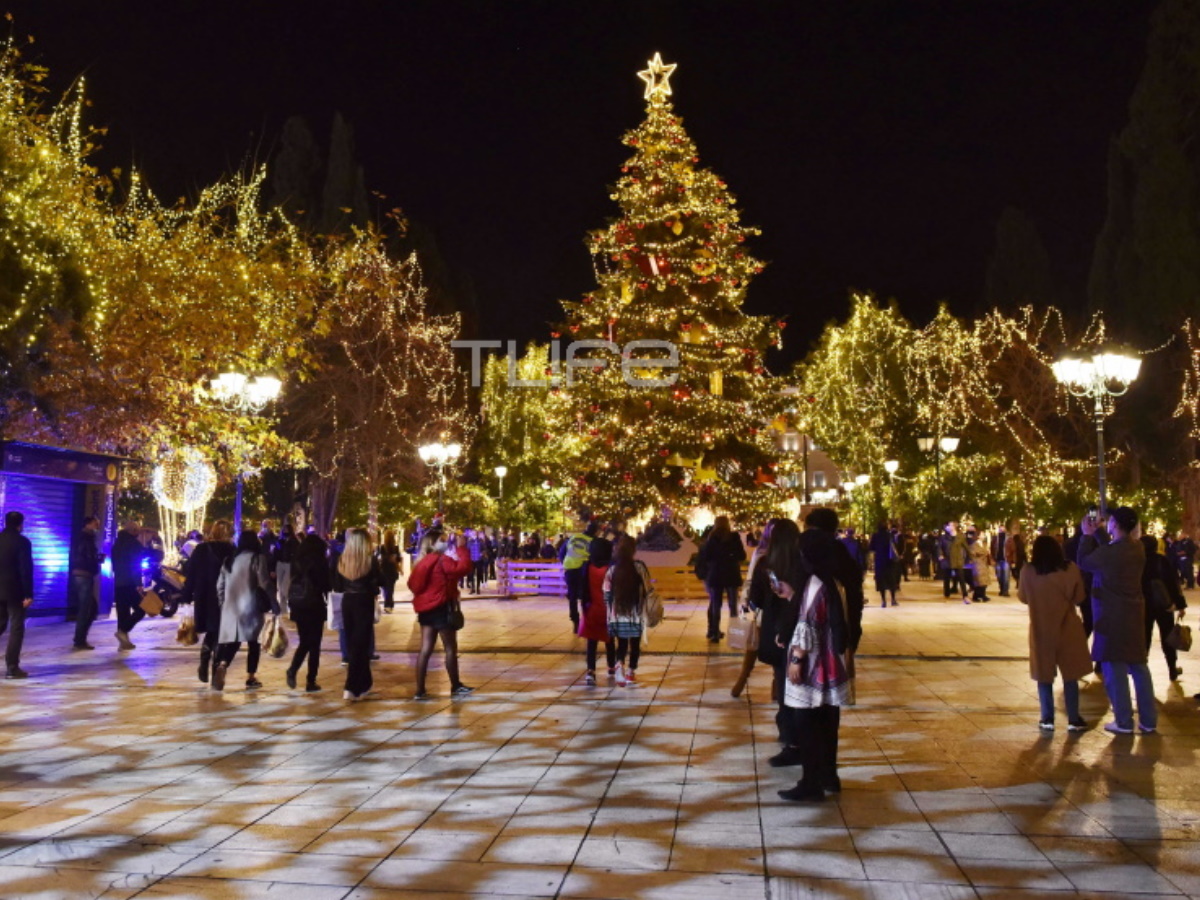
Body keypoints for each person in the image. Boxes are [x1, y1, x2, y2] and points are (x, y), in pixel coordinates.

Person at [772, 520, 853, 802]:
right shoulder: (831, 580)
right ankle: (829, 775)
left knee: (806, 722)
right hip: (832, 661)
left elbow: (807, 625)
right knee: (829, 723)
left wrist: (796, 658)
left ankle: (810, 783)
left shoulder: (814, 582)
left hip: (814, 664)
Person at [1077, 506, 1157, 735]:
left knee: (1114, 668)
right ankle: (1149, 720)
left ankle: (1123, 721)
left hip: (1111, 615)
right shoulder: (1137, 547)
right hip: (1133, 614)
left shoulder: (1113, 553)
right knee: (1139, 666)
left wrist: (1086, 535)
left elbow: (1085, 562)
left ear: (1115, 524)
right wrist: (1101, 532)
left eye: (1110, 521)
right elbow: (1112, 549)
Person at [1018, 535, 1091, 731]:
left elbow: (1023, 597)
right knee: (1071, 674)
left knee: (1044, 675)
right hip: (1068, 627)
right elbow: (1079, 597)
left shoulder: (1029, 571)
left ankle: (1047, 717)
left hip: (1041, 628)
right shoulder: (1070, 569)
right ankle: (1074, 718)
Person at [408, 528, 474, 699]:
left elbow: (413, 585)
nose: (446, 543)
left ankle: (419, 690)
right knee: (450, 648)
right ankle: (456, 685)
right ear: (433, 544)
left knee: (425, 649)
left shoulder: (421, 562)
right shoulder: (442, 560)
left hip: (426, 611)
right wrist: (462, 549)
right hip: (442, 608)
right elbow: (463, 568)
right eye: (442, 540)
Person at [213, 531, 271, 692]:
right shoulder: (257, 559)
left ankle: (223, 664)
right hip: (250, 606)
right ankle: (251, 677)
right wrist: (273, 602)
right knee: (254, 643)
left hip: (230, 608)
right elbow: (264, 583)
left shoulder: (229, 560)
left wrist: (223, 603)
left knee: (234, 641)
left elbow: (220, 586)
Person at [180, 519, 234, 683]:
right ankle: (214, 666)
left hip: (204, 595)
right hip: (225, 596)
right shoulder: (232, 550)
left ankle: (204, 659)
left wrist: (187, 595)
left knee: (212, 629)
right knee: (220, 632)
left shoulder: (201, 549)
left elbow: (191, 573)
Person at [333, 528, 382, 702]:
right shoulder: (370, 561)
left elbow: (337, 586)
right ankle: (350, 686)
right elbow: (379, 582)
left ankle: (364, 683)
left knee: (354, 642)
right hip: (364, 602)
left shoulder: (342, 560)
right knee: (360, 646)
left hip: (348, 602)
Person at [732, 519, 778, 698]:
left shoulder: (780, 554)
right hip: (762, 609)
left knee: (774, 646)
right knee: (753, 644)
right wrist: (745, 603)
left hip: (771, 608)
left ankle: (776, 685)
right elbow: (750, 581)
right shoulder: (761, 555)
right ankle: (742, 680)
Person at [286, 533, 331, 692]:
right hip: (314, 605)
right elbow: (326, 585)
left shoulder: (296, 561)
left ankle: (293, 669)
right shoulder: (319, 562)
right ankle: (311, 680)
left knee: (304, 641)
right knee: (315, 644)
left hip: (298, 605)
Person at [1141, 534, 1186, 683]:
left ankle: (1141, 670)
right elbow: (1173, 583)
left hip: (1143, 606)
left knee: (1144, 638)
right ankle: (1172, 668)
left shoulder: (1137, 562)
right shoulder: (1162, 560)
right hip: (1164, 606)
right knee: (1167, 637)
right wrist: (1179, 604)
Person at [697, 515, 747, 643]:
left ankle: (714, 633)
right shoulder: (734, 537)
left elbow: (707, 557)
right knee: (733, 607)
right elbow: (742, 555)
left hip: (715, 575)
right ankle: (735, 635)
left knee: (715, 605)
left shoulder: (711, 538)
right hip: (731, 574)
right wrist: (730, 556)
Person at [605, 535, 647, 687]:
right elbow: (647, 589)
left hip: (618, 613)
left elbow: (607, 593)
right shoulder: (639, 567)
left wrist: (609, 613)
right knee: (635, 644)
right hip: (635, 613)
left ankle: (618, 665)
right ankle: (630, 672)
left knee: (621, 643)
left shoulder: (612, 569)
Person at [577, 537, 616, 685]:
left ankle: (591, 671)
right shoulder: (610, 568)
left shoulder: (587, 567)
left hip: (592, 609)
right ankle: (611, 666)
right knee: (610, 640)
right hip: (608, 609)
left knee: (591, 642)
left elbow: (582, 589)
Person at [0, 511, 33, 679]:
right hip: (15, 591)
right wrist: (28, 594)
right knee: (16, 628)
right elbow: (25, 570)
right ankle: (12, 667)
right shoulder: (22, 542)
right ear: (21, 524)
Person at [111, 518, 150, 650]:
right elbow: (135, 565)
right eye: (137, 530)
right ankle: (123, 632)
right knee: (141, 609)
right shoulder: (133, 544)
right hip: (130, 582)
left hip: (119, 582)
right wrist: (138, 583)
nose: (138, 532)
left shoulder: (117, 543)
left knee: (123, 613)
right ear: (133, 531)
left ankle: (123, 643)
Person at [69, 516, 103, 651]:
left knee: (90, 607)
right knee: (86, 608)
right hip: (83, 574)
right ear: (88, 524)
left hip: (82, 574)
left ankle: (80, 638)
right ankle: (79, 640)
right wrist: (96, 561)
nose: (97, 526)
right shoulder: (85, 537)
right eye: (96, 523)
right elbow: (86, 556)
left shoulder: (85, 537)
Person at [560, 518, 596, 630]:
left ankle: (575, 621)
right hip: (583, 569)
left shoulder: (574, 537)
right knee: (585, 596)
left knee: (572, 596)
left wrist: (565, 564)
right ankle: (586, 621)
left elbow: (562, 552)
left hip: (570, 569)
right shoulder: (593, 541)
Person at [869, 522, 900, 608]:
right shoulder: (890, 535)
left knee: (881, 581)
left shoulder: (875, 536)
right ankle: (893, 599)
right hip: (890, 561)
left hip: (880, 561)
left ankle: (883, 601)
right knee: (891, 580)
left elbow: (871, 548)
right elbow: (895, 546)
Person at [965, 527, 992, 603]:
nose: (984, 536)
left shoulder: (984, 544)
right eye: (982, 534)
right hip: (978, 564)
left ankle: (982, 595)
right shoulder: (974, 544)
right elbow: (972, 553)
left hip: (983, 564)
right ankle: (978, 595)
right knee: (979, 581)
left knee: (984, 581)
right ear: (978, 536)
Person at [377, 529, 401, 613]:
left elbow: (379, 559)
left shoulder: (381, 548)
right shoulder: (395, 548)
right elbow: (398, 559)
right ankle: (389, 604)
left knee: (386, 589)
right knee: (390, 588)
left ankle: (388, 604)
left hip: (383, 570)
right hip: (392, 570)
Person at [991, 525, 1012, 597]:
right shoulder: (995, 539)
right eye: (1000, 529)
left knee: (1006, 576)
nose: (1001, 531)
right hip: (998, 560)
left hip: (1006, 559)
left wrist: (1012, 560)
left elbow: (1013, 550)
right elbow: (992, 549)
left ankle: (1005, 591)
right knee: (999, 576)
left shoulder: (1009, 539)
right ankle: (1001, 589)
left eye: (1003, 530)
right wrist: (993, 558)